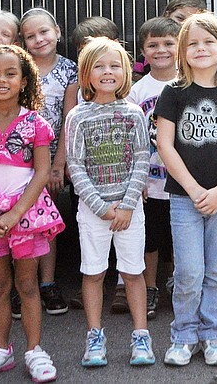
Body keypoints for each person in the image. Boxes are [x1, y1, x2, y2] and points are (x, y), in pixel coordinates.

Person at [0, 45, 63, 382]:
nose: (1, 80)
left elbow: (42, 173)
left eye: (10, 73)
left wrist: (17, 213)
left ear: (24, 81)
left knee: (27, 284)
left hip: (26, 218)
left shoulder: (36, 124)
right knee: (0, 286)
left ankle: (34, 351)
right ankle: (1, 349)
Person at [155, 13, 217, 367]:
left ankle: (213, 335)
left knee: (216, 271)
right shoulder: (174, 93)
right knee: (189, 271)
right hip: (184, 197)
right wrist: (194, 190)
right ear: (182, 51)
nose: (201, 48)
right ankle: (183, 335)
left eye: (209, 42)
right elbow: (165, 144)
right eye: (192, 43)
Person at [66, 37, 153, 367]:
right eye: (99, 66)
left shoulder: (132, 113)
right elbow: (76, 164)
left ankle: (141, 336)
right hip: (93, 212)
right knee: (94, 273)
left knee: (133, 273)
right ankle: (94, 336)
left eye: (115, 65)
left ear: (125, 72)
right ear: (86, 74)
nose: (107, 72)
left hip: (130, 211)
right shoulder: (78, 116)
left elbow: (142, 158)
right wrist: (102, 208)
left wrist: (128, 205)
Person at [20, 7, 77, 316]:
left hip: (54, 155)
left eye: (44, 32)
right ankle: (23, 283)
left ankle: (47, 282)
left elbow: (69, 118)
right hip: (20, 156)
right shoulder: (18, 68)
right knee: (19, 220)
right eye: (30, 36)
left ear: (56, 30)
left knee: (46, 222)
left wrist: (58, 165)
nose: (39, 39)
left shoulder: (70, 70)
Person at [127, 16, 181, 321]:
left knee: (179, 236)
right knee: (150, 239)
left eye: (168, 44)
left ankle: (176, 281)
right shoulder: (137, 90)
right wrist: (138, 179)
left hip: (182, 181)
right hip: (149, 181)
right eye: (153, 44)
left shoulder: (187, 83)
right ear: (143, 51)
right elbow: (132, 138)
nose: (161, 50)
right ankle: (149, 287)